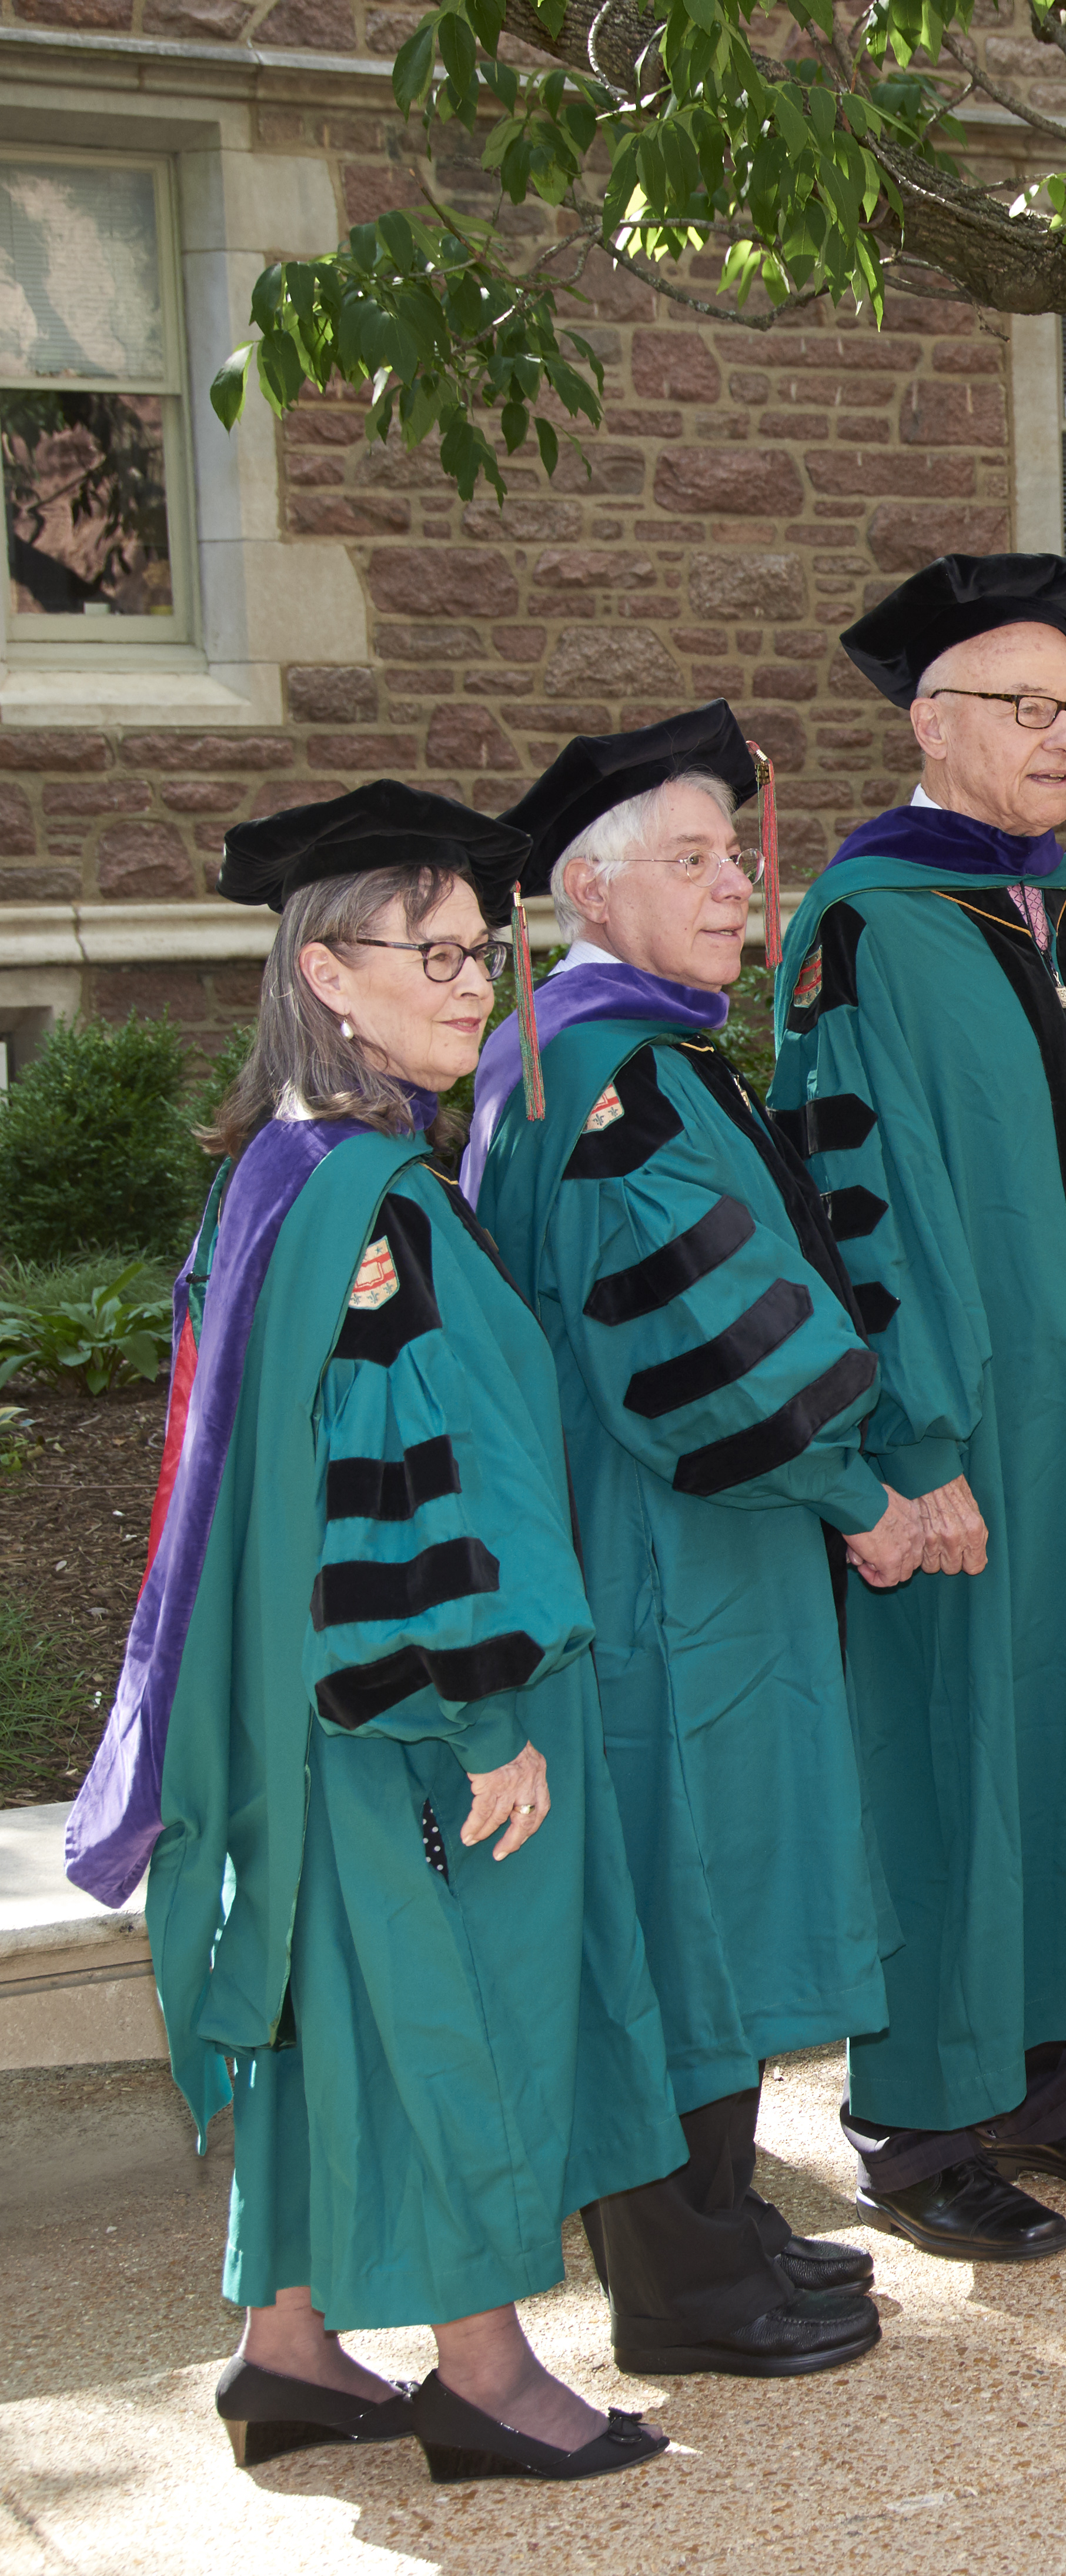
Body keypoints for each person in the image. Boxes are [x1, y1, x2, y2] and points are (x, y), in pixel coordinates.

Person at [66, 783, 680, 2481]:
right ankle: (483, 2369)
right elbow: (398, 1479)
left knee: (327, 2012)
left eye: (488, 950)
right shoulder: (378, 1212)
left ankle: (288, 2343)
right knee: (457, 2013)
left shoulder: (282, 1175)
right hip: (423, 1704)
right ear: (326, 975)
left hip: (317, 1707)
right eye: (434, 951)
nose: (475, 982)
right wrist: (483, 1713)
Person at [773, 552, 1066, 2262]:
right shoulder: (869, 924)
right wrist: (917, 1436)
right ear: (933, 723)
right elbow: (853, 1193)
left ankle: (1052, 2068)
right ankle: (918, 2119)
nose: (1061, 740)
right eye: (1027, 711)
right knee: (959, 1752)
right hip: (966, 1426)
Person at [467, 706, 899, 2380]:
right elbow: (706, 1342)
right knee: (683, 1895)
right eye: (693, 859)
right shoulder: (610, 1079)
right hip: (671, 1549)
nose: (737, 886)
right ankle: (678, 2279)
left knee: (710, 1888)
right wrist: (857, 1486)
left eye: (738, 854)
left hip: (691, 1537)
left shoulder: (623, 1053)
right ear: (588, 888)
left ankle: (717, 2219)